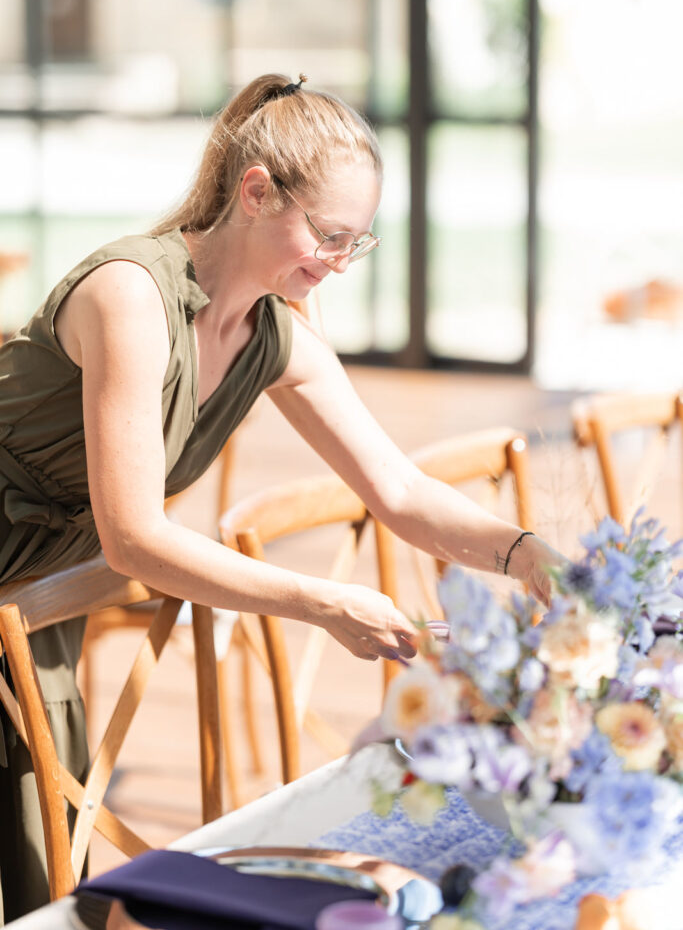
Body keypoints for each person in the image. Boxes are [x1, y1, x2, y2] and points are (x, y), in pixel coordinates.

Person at [0, 72, 564, 920]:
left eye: (356, 244)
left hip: (34, 597)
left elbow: (400, 489)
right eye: (328, 235)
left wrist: (528, 556)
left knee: (40, 869)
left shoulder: (274, 333)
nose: (336, 263)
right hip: (28, 577)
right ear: (256, 192)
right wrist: (320, 602)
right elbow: (134, 539)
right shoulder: (130, 296)